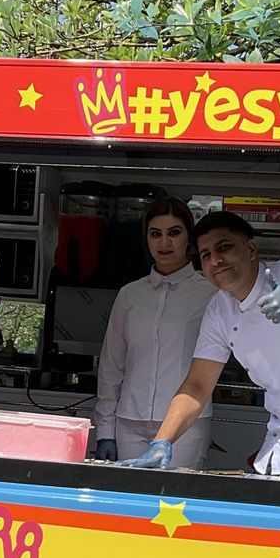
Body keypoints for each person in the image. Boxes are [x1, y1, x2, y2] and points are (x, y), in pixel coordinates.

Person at [120, 211, 280, 479]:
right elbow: (197, 385)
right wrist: (163, 441)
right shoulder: (219, 309)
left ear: (251, 249)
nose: (216, 260)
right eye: (206, 255)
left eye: (224, 248)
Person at [94, 197, 216, 467]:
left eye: (174, 233)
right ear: (146, 239)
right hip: (128, 422)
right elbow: (112, 366)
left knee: (175, 502)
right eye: (155, 234)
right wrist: (104, 430)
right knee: (128, 504)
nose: (164, 243)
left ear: (189, 238)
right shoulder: (130, 295)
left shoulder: (211, 294)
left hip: (186, 426)